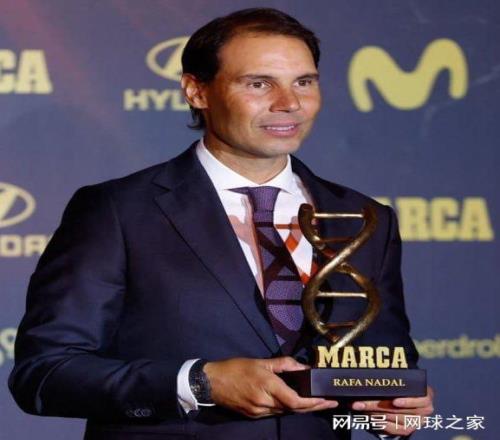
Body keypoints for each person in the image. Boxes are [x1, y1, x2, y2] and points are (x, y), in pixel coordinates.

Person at [9, 8, 433, 440]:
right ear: (197, 91)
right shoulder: (117, 210)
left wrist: (390, 410)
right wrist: (200, 383)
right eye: (259, 83)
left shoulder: (365, 218)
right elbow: (45, 372)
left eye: (304, 82)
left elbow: (384, 360)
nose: (289, 103)